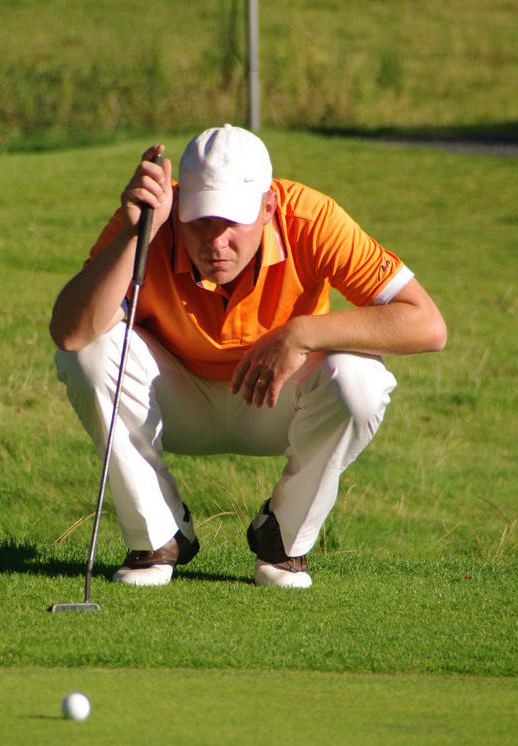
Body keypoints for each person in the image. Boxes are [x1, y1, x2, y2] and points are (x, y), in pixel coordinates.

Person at [50, 125, 446, 589]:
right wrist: (136, 237)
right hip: (173, 400)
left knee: (361, 378)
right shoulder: (153, 217)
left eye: (232, 221)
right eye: (200, 220)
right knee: (90, 351)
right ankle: (157, 537)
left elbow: (427, 324)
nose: (216, 241)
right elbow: (71, 334)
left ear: (268, 208)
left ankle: (283, 542)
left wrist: (301, 334)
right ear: (179, 205)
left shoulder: (311, 219)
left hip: (277, 403)